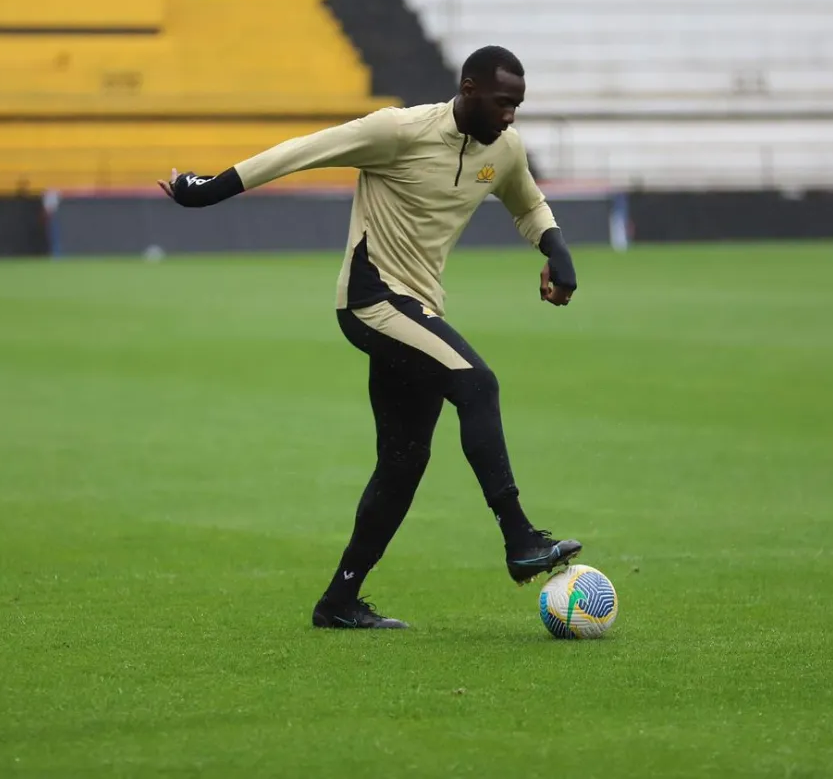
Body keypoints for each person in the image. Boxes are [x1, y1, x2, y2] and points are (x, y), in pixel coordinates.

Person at [161, 45, 581, 630]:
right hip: (372, 300)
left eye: (518, 105)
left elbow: (527, 202)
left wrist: (556, 251)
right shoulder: (399, 131)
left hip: (418, 309)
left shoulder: (503, 150)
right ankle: (519, 537)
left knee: (403, 463)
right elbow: (303, 151)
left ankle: (338, 602)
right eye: (503, 102)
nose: (511, 115)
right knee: (476, 383)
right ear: (468, 88)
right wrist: (210, 189)